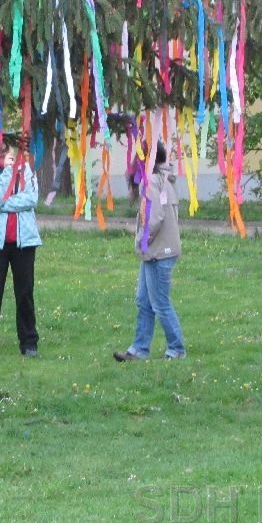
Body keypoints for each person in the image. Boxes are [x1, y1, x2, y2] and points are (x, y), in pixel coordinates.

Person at [114, 141, 186, 361]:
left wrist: (142, 241)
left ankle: (177, 348)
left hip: (159, 252)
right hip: (156, 251)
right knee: (144, 301)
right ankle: (139, 349)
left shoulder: (153, 181)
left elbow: (154, 219)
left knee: (160, 303)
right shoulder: (162, 179)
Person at [0, 140, 42, 358]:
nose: (8, 158)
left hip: (24, 241)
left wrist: (3, 204)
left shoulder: (27, 170)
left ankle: (29, 343)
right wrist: (7, 174)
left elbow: (31, 199)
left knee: (25, 292)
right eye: (2, 155)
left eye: (11, 154)